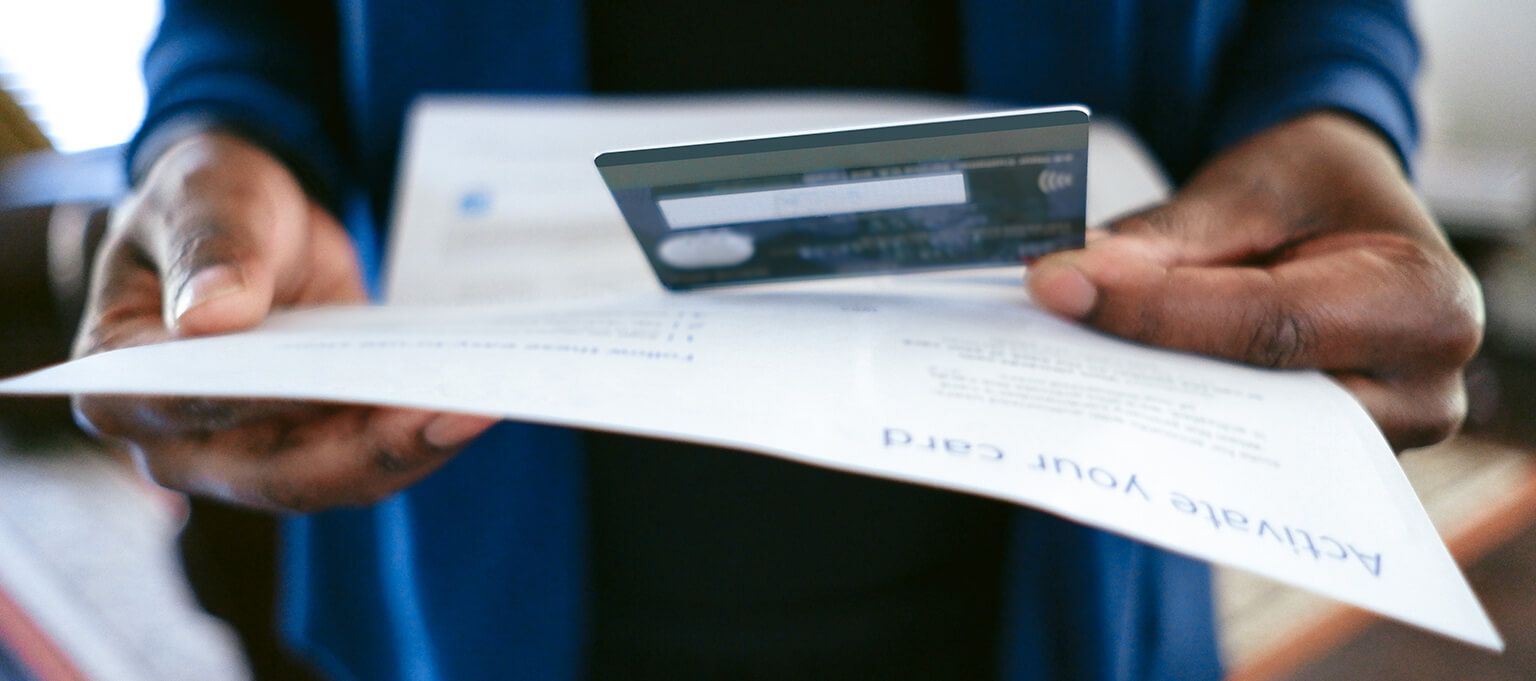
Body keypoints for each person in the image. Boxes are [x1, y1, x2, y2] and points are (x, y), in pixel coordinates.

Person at [73, 1, 1483, 679]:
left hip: (1065, 574)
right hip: (456, 550)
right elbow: (242, 19)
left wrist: (1336, 114)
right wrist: (215, 131)